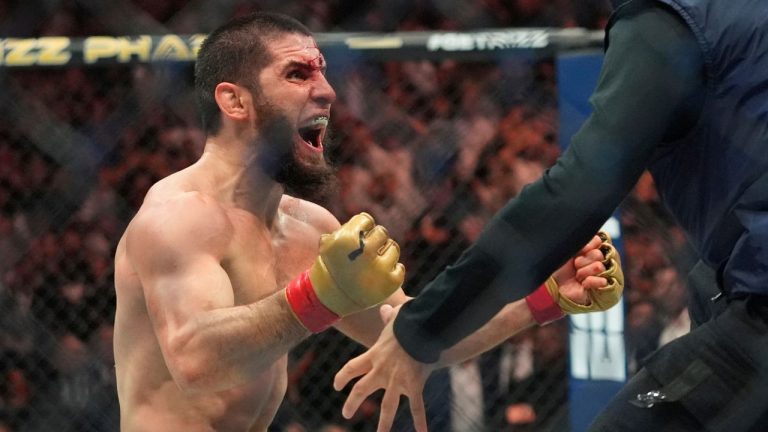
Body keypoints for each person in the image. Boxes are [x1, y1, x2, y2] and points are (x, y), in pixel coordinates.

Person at [112, 12, 616, 432]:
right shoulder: (178, 217)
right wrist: (319, 296)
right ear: (234, 100)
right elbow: (196, 362)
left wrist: (538, 301)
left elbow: (414, 334)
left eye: (323, 71)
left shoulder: (309, 227)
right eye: (298, 74)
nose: (327, 91)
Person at [334, 1, 768, 431]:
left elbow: (579, 189)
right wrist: (536, 303)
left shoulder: (669, 20)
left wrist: (420, 331)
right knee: (706, 287)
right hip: (747, 291)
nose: (323, 90)